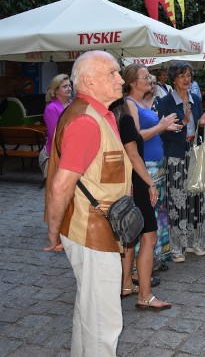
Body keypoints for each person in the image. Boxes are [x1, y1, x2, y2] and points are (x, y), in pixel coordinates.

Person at [44, 51, 131, 356]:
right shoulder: (86, 121)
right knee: (102, 320)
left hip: (95, 228)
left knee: (89, 312)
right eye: (113, 73)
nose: (121, 79)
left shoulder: (96, 113)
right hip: (92, 231)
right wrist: (53, 231)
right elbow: (61, 186)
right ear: (90, 81)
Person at [109, 97, 171, 310]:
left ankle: (126, 284)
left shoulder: (109, 118)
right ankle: (144, 294)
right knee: (149, 237)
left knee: (129, 237)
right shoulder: (124, 119)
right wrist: (150, 183)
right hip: (137, 181)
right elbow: (133, 155)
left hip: (124, 182)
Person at [156, 61, 205, 263]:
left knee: (195, 197)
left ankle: (195, 242)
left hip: (194, 152)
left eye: (189, 75)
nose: (187, 79)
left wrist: (200, 122)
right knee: (178, 199)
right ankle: (177, 246)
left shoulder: (196, 98)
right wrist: (183, 123)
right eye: (182, 76)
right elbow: (163, 133)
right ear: (174, 79)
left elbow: (196, 125)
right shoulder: (165, 102)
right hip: (175, 155)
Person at [124, 64, 180, 274]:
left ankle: (154, 259)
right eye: (145, 76)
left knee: (157, 213)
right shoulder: (129, 103)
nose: (150, 79)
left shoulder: (142, 102)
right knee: (147, 214)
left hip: (157, 163)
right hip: (145, 166)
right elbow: (136, 137)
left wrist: (166, 127)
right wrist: (161, 126)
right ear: (132, 83)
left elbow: (152, 132)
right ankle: (141, 267)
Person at [43, 74, 72, 156]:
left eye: (70, 86)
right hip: (57, 153)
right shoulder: (51, 109)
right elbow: (56, 135)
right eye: (65, 86)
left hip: (72, 148)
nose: (69, 88)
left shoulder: (72, 104)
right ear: (56, 91)